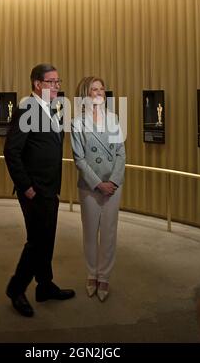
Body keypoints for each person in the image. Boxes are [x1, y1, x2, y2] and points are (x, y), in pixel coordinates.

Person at [4, 63, 75, 317]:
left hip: (50, 188)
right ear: (37, 84)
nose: (57, 86)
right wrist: (26, 187)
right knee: (36, 243)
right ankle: (16, 289)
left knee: (47, 240)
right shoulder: (27, 108)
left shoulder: (50, 108)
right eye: (52, 82)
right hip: (34, 191)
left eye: (58, 81)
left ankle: (44, 286)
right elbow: (11, 152)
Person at [70, 77, 125, 302]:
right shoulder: (76, 123)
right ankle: (92, 273)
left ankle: (105, 276)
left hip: (113, 186)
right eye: (94, 89)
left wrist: (113, 181)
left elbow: (121, 153)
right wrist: (98, 183)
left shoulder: (114, 119)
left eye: (102, 88)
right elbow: (79, 159)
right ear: (85, 93)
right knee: (90, 233)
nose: (99, 92)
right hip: (90, 187)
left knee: (109, 233)